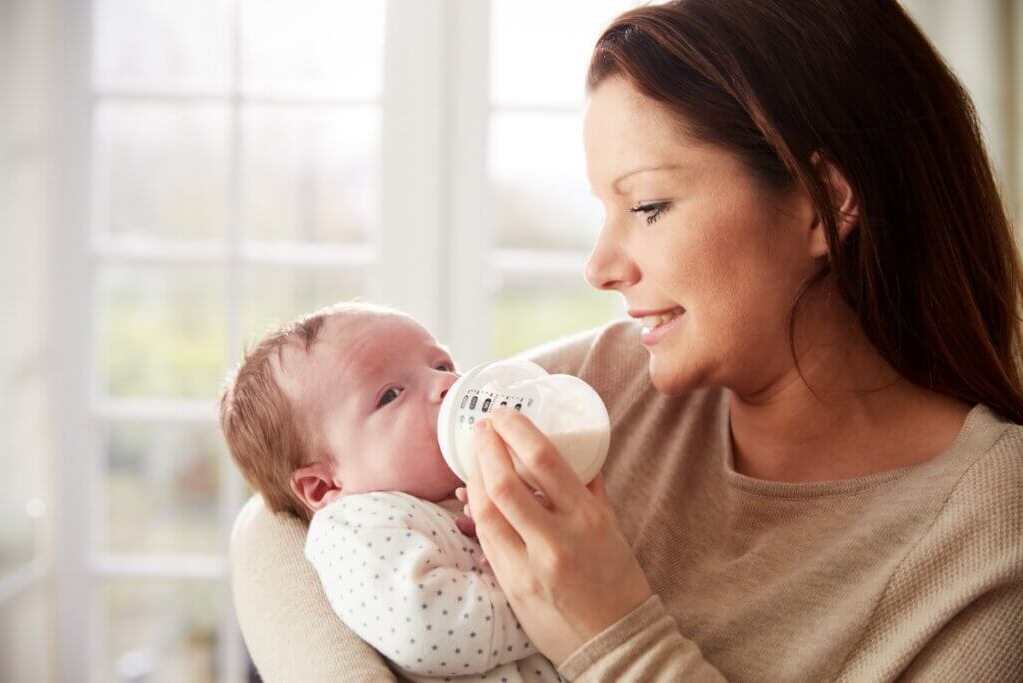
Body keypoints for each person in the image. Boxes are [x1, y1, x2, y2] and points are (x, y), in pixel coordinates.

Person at [230, 1, 1023, 680]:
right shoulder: (600, 388)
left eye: (646, 206)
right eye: (602, 211)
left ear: (825, 203)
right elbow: (278, 527)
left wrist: (611, 629)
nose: (600, 266)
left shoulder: (990, 533)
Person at [220, 302, 561, 682]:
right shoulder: (355, 525)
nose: (446, 384)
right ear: (325, 485)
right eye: (391, 395)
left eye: (442, 365)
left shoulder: (486, 486)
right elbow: (426, 627)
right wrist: (551, 605)